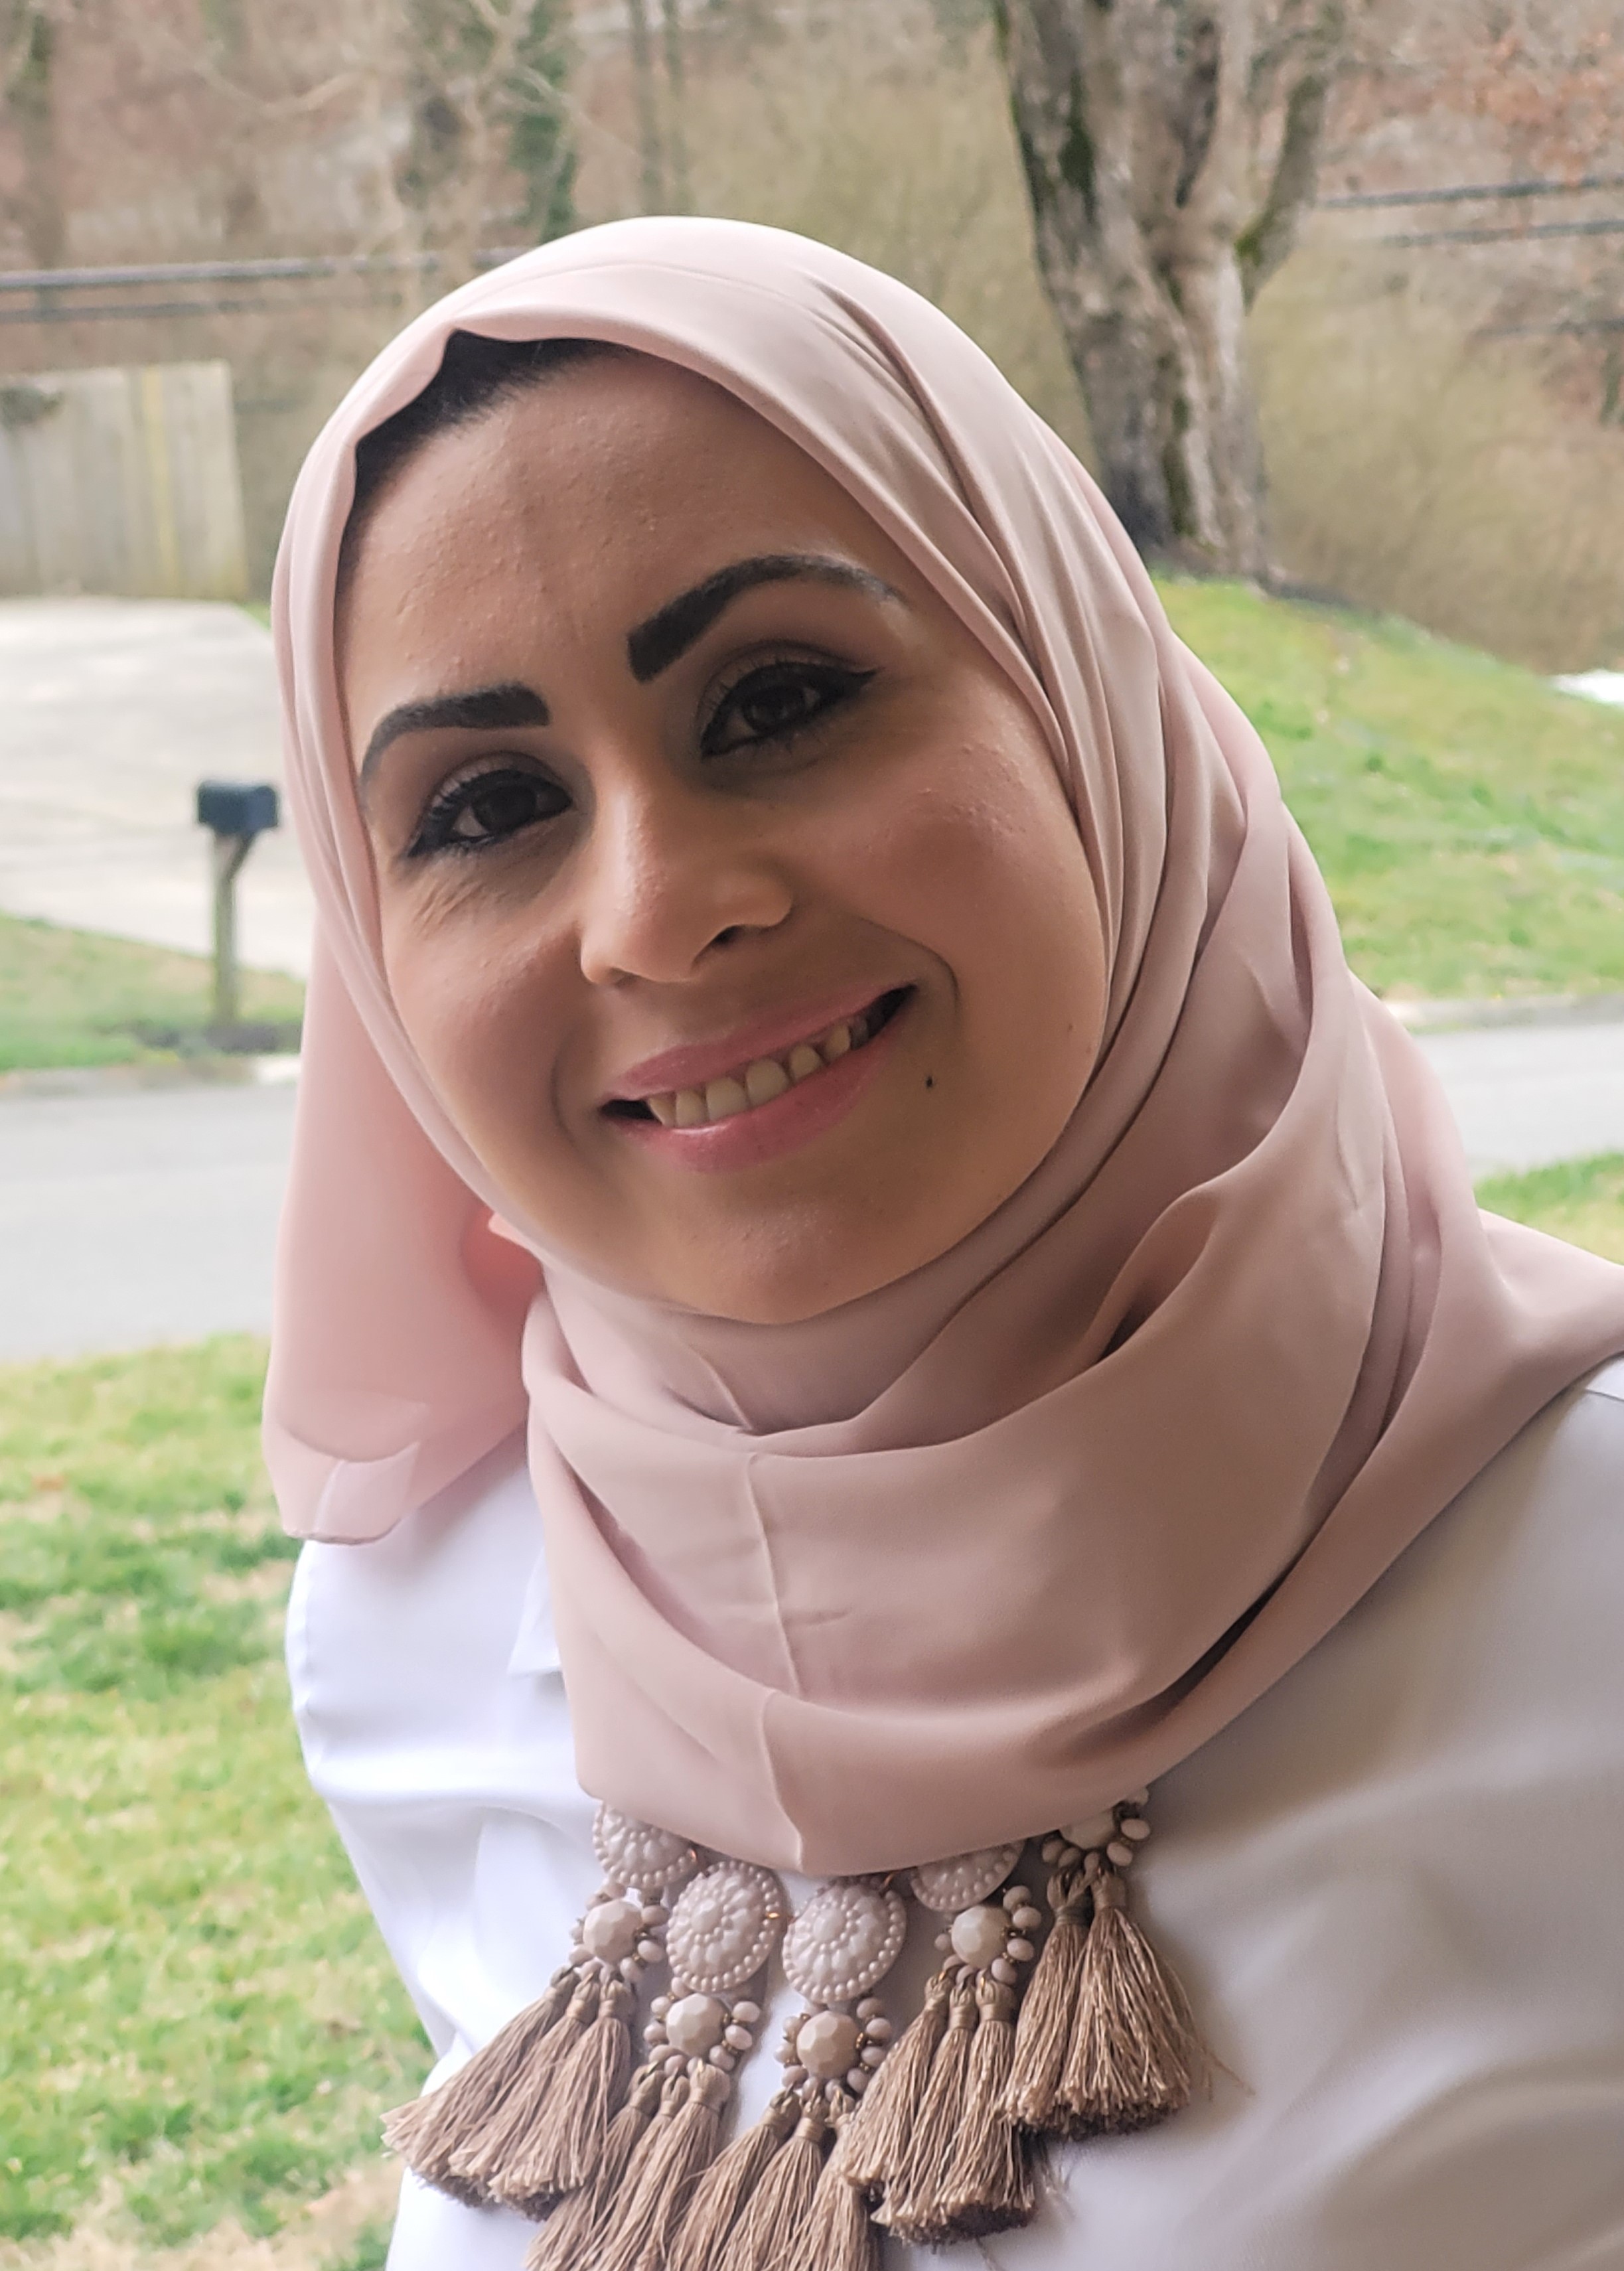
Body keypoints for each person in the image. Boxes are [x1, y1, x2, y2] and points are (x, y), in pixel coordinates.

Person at [268, 219, 1624, 2271]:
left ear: (1083, 697)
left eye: (779, 696)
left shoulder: (1583, 1577)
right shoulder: (419, 1623)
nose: (652, 910)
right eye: (481, 808)